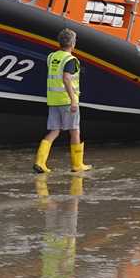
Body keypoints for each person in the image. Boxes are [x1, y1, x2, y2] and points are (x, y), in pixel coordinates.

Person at [33, 28, 92, 174]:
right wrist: (73, 100)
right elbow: (66, 78)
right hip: (67, 100)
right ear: (73, 43)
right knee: (75, 131)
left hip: (53, 100)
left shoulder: (52, 57)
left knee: (54, 130)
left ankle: (40, 162)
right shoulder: (71, 60)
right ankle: (77, 165)